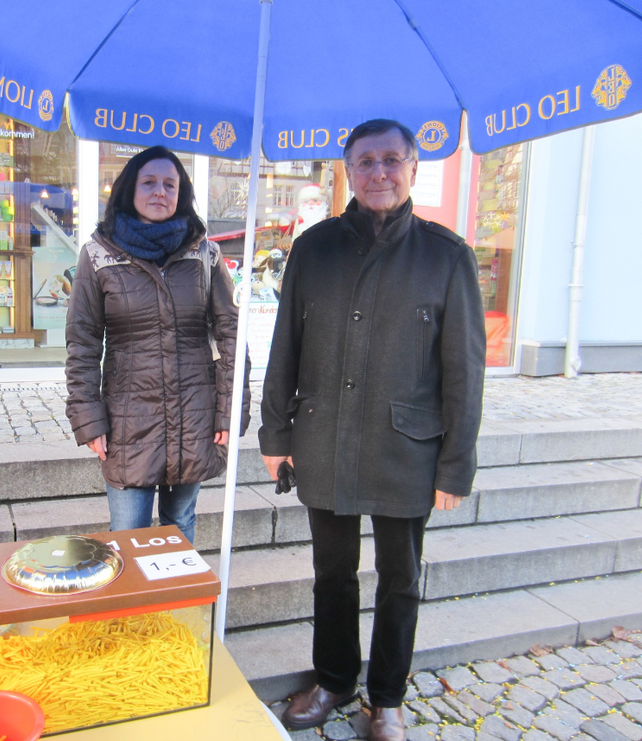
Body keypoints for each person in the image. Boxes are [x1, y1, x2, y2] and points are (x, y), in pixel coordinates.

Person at [258, 120, 486, 737]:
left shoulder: (447, 256)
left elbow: (464, 371)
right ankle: (333, 680)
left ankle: (385, 699)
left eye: (391, 160)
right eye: (365, 161)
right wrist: (275, 435)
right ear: (347, 170)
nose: (378, 172)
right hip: (323, 438)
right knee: (331, 574)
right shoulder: (314, 248)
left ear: (413, 167)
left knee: (400, 579)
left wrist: (455, 464)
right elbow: (286, 347)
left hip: (406, 449)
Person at [65, 145, 249, 545]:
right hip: (129, 420)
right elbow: (82, 342)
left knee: (179, 524)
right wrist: (88, 418)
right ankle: (130, 610)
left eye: (171, 183)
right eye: (149, 182)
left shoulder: (204, 253)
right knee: (128, 532)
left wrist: (228, 409)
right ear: (129, 189)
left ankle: (178, 607)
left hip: (194, 414)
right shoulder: (98, 255)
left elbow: (231, 333)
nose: (160, 191)